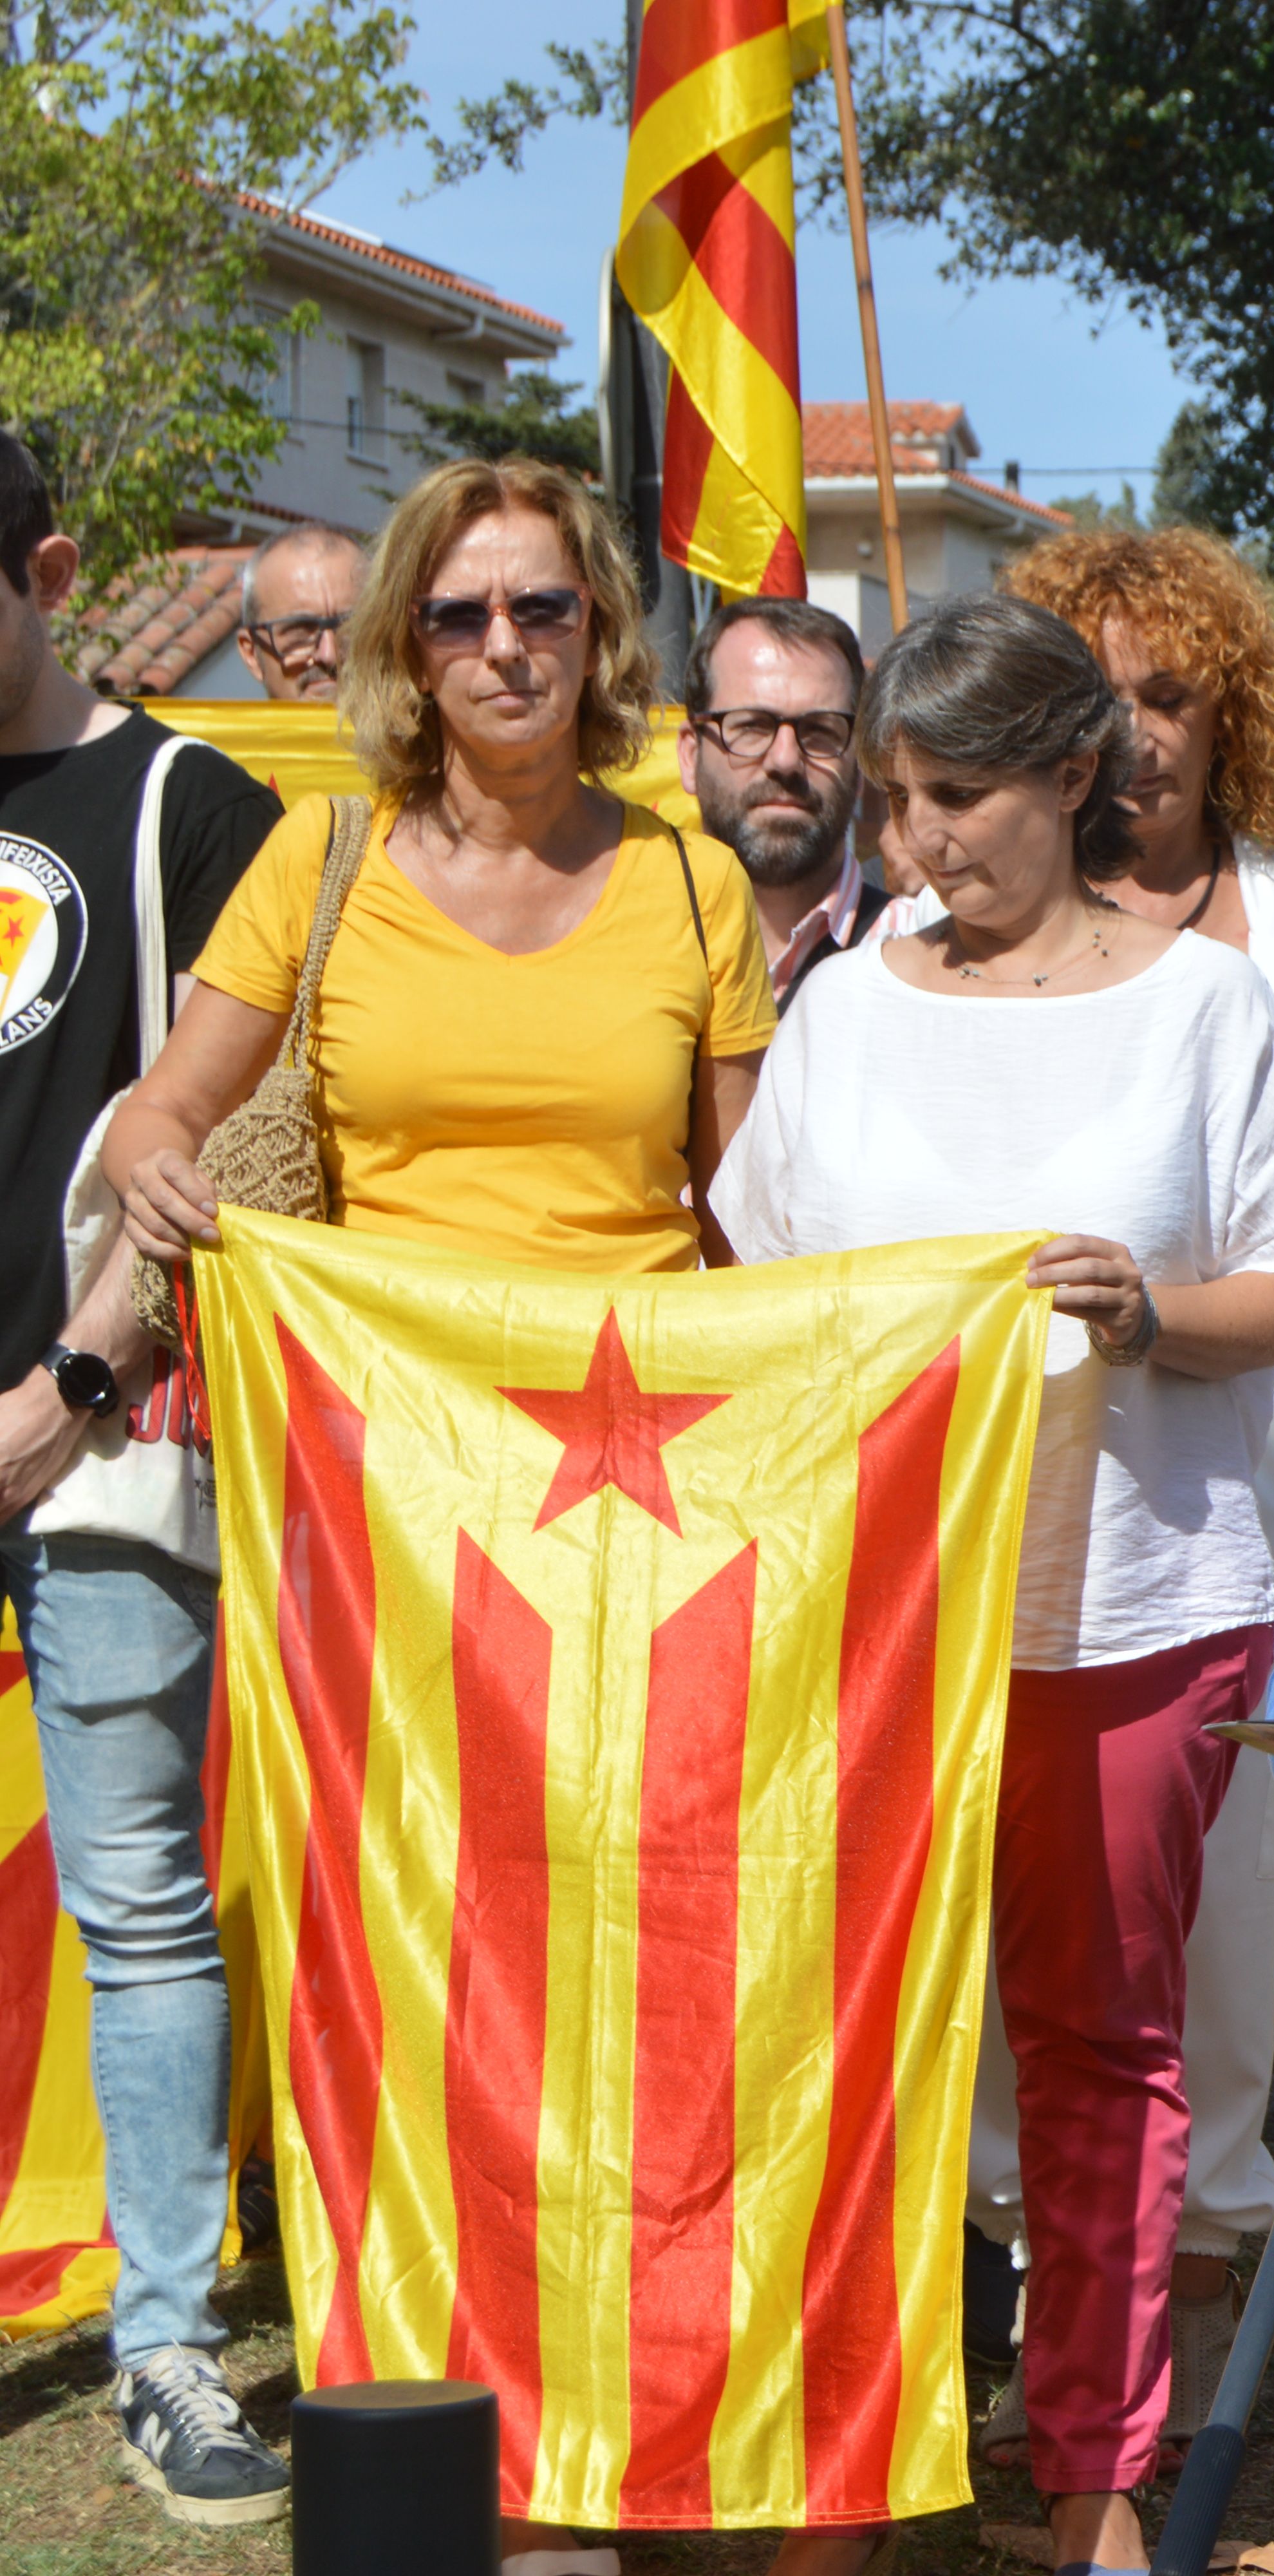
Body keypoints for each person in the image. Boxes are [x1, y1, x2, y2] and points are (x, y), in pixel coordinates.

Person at [109, 452, 776, 2565]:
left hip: (653, 1541)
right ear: (407, 643)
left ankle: (650, 2424)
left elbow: (762, 1233)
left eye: (545, 611)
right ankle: (476, 2451)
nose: (505, 648)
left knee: (656, 1984)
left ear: (603, 635)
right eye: (464, 615)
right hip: (388, 1522)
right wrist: (147, 1159)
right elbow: (170, 1105)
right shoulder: (314, 862)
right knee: (429, 1982)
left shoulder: (696, 889)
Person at [713, 592, 1274, 2576]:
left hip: (1135, 1606)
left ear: (1077, 774)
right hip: (875, 1616)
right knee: (859, 2039)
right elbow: (759, 1289)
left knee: (1099, 2045)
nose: (914, 840)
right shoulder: (842, 1006)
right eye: (897, 795)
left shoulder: (1209, 1005)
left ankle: (1093, 2466)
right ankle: (851, 2460)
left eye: (957, 796)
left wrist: (1150, 1312)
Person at [982, 528, 1274, 2443]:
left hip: (1261, 1500)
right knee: (1035, 1938)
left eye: (1170, 692)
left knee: (1224, 1934)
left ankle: (1198, 2344)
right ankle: (1046, 2340)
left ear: (1236, 712)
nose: (1137, 734)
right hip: (1026, 1509)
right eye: (1098, 693)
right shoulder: (972, 944)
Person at [0, 425, 289, 2532]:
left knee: (139, 1914)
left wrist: (77, 1374)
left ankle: (171, 2335)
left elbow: (258, 1144)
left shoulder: (200, 805)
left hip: (101, 1450)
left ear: (53, 565)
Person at [679, 592, 883, 1000]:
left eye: (821, 731)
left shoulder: (922, 956)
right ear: (689, 755)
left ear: (860, 764)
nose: (786, 760)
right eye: (752, 726)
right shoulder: (620, 950)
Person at [230, 526, 362, 704]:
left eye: (350, 630)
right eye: (300, 634)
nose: (330, 655)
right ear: (252, 653)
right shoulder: (195, 729)